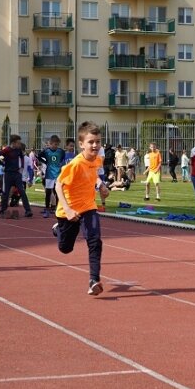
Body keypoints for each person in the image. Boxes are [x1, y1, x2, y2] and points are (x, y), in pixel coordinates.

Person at [52, 121, 110, 296]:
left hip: (88, 207)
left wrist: (101, 185)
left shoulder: (98, 159)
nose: (95, 145)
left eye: (98, 141)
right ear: (81, 144)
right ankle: (58, 230)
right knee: (65, 249)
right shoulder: (75, 164)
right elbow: (58, 185)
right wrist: (68, 210)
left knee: (95, 241)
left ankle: (94, 280)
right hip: (68, 211)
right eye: (91, 142)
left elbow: (93, 176)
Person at [0, 135, 32, 218]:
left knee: (22, 191)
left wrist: (21, 167)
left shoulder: (18, 150)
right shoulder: (7, 150)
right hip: (8, 174)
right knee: (6, 192)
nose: (20, 144)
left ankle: (28, 210)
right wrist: (2, 163)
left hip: (17, 174)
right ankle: (3, 209)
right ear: (13, 143)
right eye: (18, 143)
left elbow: (22, 157)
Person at [37, 135, 65, 218]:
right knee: (48, 192)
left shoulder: (61, 151)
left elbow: (62, 158)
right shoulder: (46, 151)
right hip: (49, 174)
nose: (55, 146)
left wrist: (60, 164)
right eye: (53, 144)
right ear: (50, 144)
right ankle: (47, 208)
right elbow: (39, 156)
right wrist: (45, 162)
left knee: (57, 191)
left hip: (58, 174)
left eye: (56, 144)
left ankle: (57, 208)